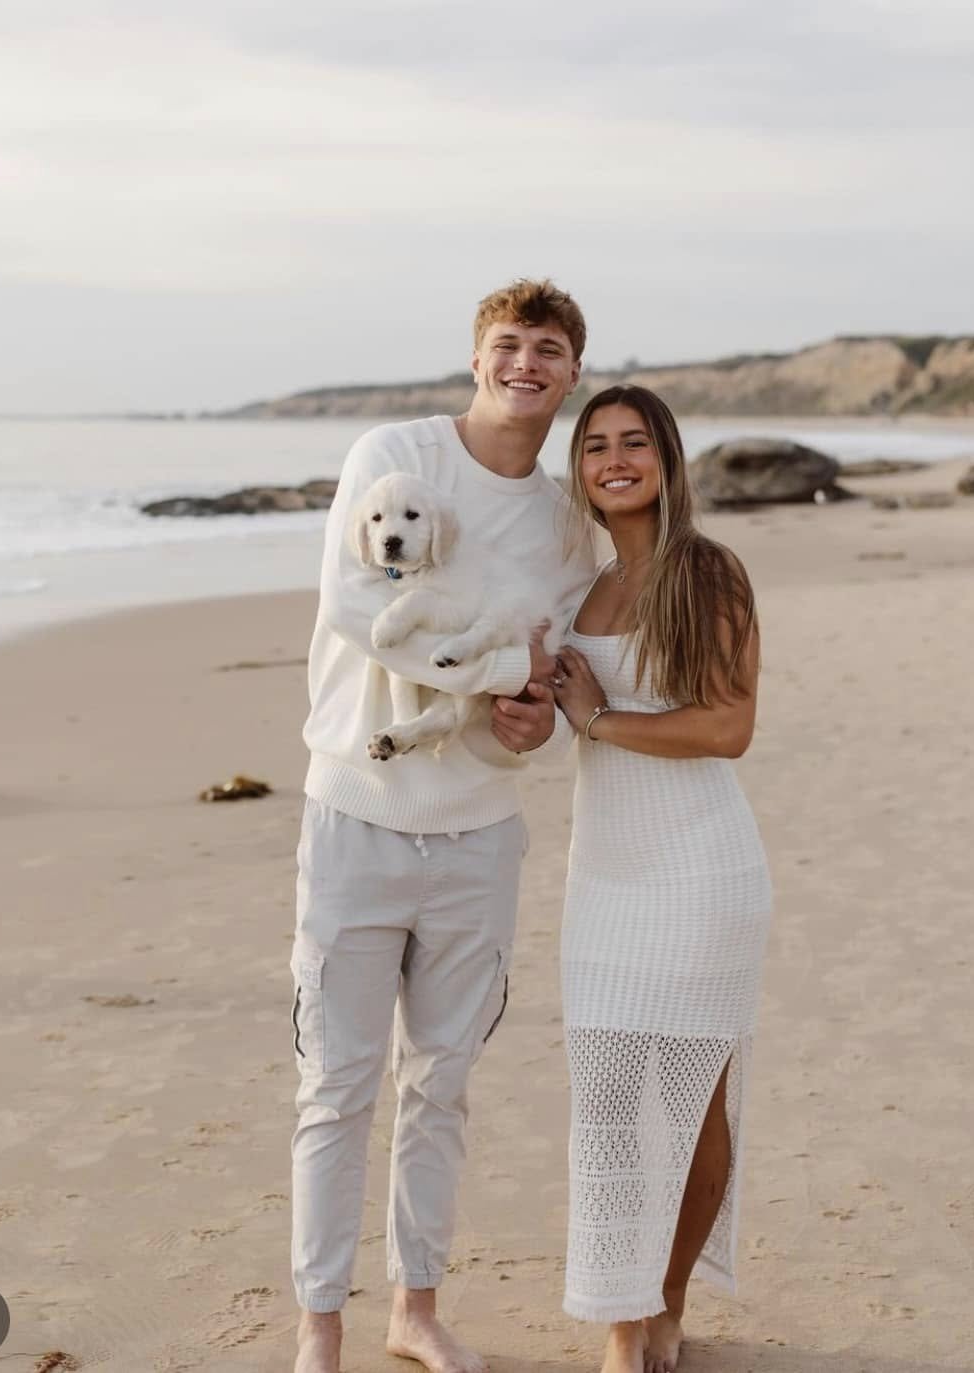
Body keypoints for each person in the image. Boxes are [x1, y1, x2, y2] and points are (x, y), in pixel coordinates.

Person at [290, 280, 597, 1373]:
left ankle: (414, 1309)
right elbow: (354, 608)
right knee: (337, 1081)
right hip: (355, 815)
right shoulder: (393, 454)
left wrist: (527, 713)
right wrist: (496, 667)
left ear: (570, 374)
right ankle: (318, 1326)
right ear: (476, 357)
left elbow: (545, 695)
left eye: (548, 348)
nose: (526, 363)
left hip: (478, 834)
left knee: (442, 1083)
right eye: (508, 343)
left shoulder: (568, 528)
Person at [551, 385, 772, 1373]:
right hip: (602, 874)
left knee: (685, 1098)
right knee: (603, 1102)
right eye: (596, 445)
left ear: (667, 458)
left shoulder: (707, 571)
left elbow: (728, 726)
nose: (615, 459)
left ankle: (663, 1305)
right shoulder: (582, 588)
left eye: (634, 441)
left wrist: (600, 721)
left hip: (700, 870)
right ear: (582, 472)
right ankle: (620, 1312)